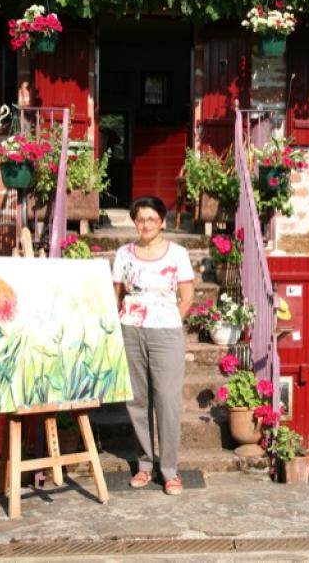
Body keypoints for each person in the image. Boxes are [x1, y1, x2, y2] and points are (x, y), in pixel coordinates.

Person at [112, 196, 195, 496]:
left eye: (151, 218)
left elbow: (187, 297)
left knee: (167, 401)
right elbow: (117, 295)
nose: (145, 224)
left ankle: (170, 470)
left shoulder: (178, 254)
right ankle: (144, 465)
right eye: (140, 219)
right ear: (134, 222)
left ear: (161, 221)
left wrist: (169, 318)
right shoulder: (123, 254)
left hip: (166, 332)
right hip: (131, 330)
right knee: (136, 400)